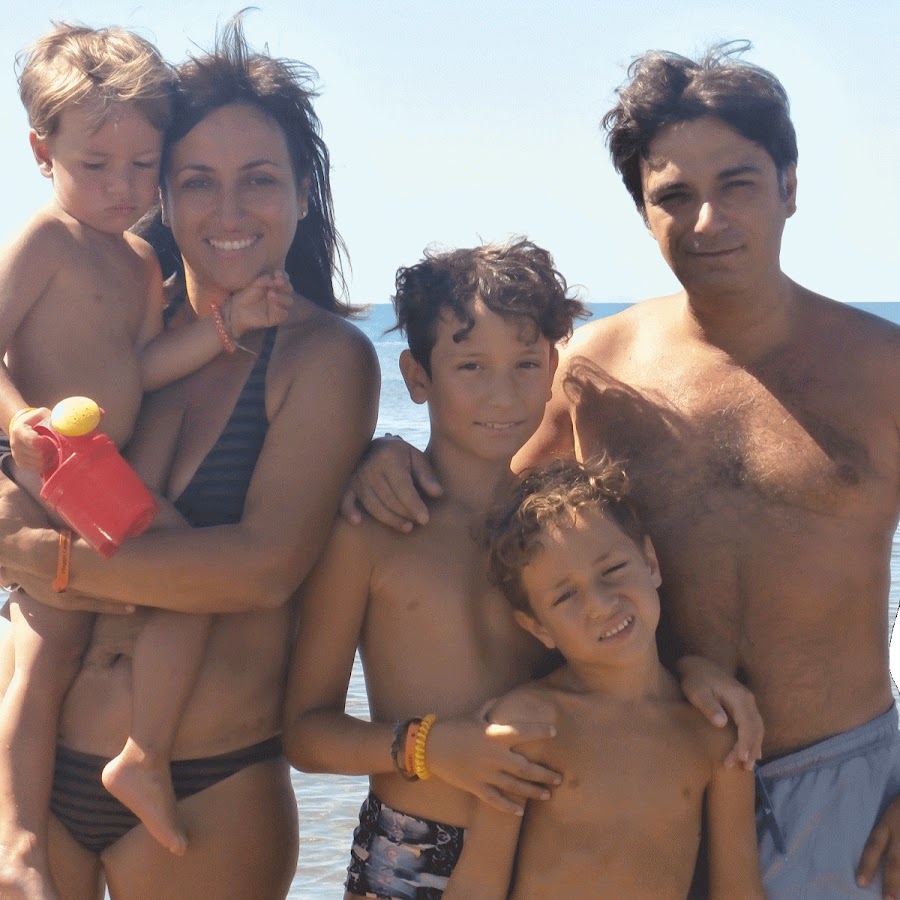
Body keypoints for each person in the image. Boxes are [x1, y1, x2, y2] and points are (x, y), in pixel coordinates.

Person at [341, 43, 900, 897]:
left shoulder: (884, 369)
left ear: (790, 185)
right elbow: (496, 514)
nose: (707, 220)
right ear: (643, 211)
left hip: (843, 790)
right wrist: (383, 456)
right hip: (642, 791)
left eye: (738, 184)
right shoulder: (596, 370)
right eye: (673, 195)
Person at [0, 15, 378, 900]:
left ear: (303, 193)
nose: (229, 212)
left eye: (260, 181)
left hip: (206, 783)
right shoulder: (115, 322)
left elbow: (260, 572)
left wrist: (44, 561)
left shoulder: (323, 358)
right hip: (37, 777)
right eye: (198, 181)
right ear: (166, 196)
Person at [283, 238, 586, 899]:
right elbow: (305, 733)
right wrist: (427, 748)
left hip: (555, 852)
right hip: (411, 852)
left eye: (525, 364)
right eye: (471, 366)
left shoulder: (569, 526)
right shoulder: (370, 532)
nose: (502, 395)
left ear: (552, 368)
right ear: (417, 377)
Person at [444, 456, 763, 899]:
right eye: (565, 596)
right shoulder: (529, 724)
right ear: (537, 628)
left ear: (650, 562)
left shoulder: (713, 732)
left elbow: (739, 888)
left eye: (612, 570)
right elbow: (480, 882)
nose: (599, 603)